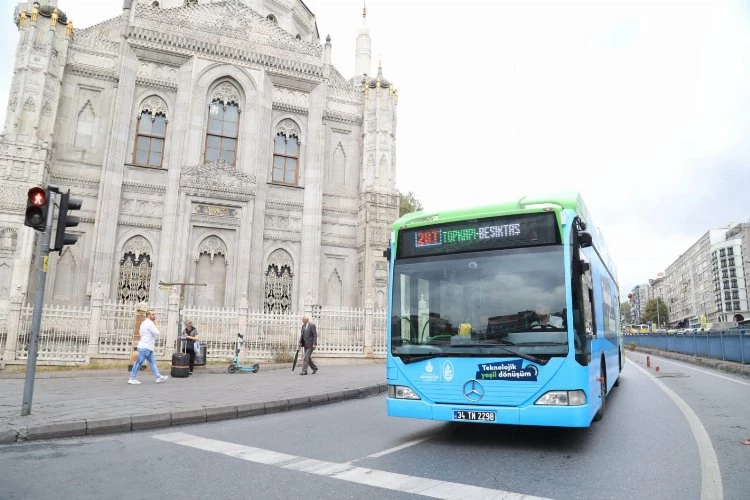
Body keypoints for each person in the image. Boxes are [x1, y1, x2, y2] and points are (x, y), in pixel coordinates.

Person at [128, 309, 168, 385]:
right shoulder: (149, 323)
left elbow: (141, 333)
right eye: (153, 314)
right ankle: (132, 378)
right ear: (148, 315)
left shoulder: (144, 323)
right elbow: (157, 333)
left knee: (152, 362)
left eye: (155, 314)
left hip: (147, 346)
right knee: (138, 363)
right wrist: (156, 324)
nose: (155, 316)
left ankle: (158, 377)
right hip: (145, 347)